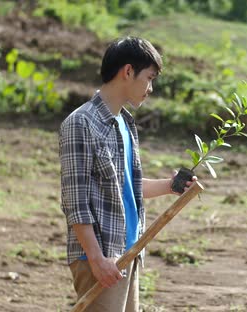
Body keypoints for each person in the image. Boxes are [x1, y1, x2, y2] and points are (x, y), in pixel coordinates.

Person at [59, 36, 196, 312]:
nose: (150, 88)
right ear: (128, 71)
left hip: (129, 250)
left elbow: (126, 187)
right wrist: (97, 259)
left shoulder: (124, 123)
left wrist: (171, 186)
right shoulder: (80, 123)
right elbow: (76, 202)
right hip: (101, 257)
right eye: (149, 77)